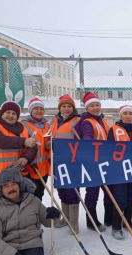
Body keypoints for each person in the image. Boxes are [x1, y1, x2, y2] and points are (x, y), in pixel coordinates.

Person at [0, 101, 37, 193]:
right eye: (7, 112)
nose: (11, 116)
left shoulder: (23, 128)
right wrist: (24, 141)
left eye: (14, 113)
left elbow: (33, 146)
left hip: (17, 175)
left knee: (19, 205)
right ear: (2, 113)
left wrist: (26, 157)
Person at [74, 92, 109, 232]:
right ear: (87, 108)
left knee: (108, 190)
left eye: (97, 105)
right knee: (93, 191)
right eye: (92, 105)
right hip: (92, 161)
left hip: (105, 160)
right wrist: (88, 145)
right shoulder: (87, 121)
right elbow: (87, 137)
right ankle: (91, 219)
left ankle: (109, 218)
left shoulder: (101, 119)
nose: (95, 108)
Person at [107, 105, 132, 240]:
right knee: (120, 198)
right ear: (120, 115)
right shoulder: (113, 129)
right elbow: (109, 148)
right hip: (119, 169)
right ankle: (116, 226)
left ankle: (128, 222)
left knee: (131, 197)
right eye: (125, 113)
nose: (128, 116)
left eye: (130, 113)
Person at [50, 94, 81, 233]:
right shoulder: (55, 121)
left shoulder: (78, 121)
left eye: (69, 106)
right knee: (62, 190)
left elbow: (82, 141)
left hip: (72, 162)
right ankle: (66, 218)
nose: (66, 109)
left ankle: (74, 223)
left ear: (73, 108)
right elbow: (49, 137)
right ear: (60, 108)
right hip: (58, 162)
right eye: (64, 106)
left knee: (72, 192)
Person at [20, 97, 51, 200]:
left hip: (44, 168)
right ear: (30, 111)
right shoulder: (24, 125)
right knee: (29, 197)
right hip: (31, 168)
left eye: (41, 109)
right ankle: (31, 216)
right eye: (36, 108)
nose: (39, 111)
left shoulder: (47, 125)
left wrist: (49, 144)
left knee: (39, 195)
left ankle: (37, 215)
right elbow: (21, 146)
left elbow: (48, 142)